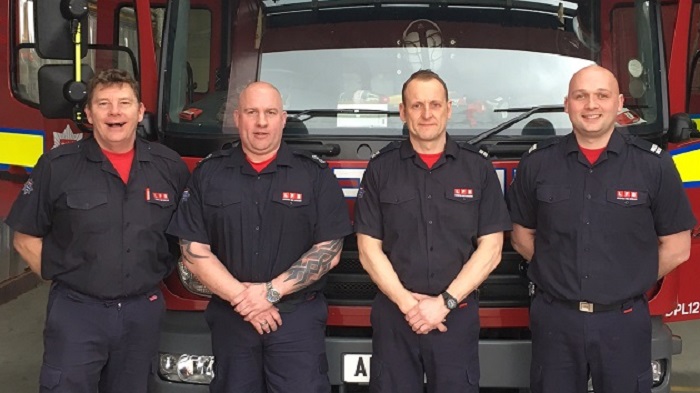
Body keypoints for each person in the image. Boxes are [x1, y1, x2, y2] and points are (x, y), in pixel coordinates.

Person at [508, 65, 695, 393]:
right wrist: (559, 267)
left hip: (622, 320)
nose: (591, 105)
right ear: (567, 104)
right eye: (581, 96)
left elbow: (678, 246)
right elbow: (521, 235)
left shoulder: (653, 165)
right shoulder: (537, 163)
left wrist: (627, 279)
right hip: (555, 320)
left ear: (619, 102)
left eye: (601, 96)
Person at [5, 69, 190, 393]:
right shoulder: (57, 166)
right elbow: (24, 237)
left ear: (140, 110)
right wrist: (65, 276)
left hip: (141, 312)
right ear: (89, 114)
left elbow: (185, 236)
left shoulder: (169, 166)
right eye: (103, 103)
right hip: (77, 312)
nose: (115, 112)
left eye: (124, 102)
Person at [167, 81, 352, 392]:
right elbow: (193, 250)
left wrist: (269, 293)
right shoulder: (208, 174)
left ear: (283, 119)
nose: (262, 122)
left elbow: (329, 250)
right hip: (232, 319)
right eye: (252, 112)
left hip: (296, 321)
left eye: (270, 112)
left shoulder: (315, 175)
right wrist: (245, 299)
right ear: (237, 118)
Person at [354, 69, 512, 393]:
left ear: (448, 108)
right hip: (395, 319)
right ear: (402, 111)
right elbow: (368, 250)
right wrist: (410, 307)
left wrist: (444, 303)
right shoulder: (380, 169)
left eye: (435, 105)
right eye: (416, 106)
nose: (427, 114)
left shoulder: (478, 169)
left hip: (456, 316)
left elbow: (492, 248)